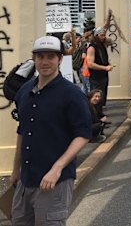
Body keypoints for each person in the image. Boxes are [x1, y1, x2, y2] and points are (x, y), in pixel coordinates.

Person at [11, 36, 92, 225]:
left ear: (60, 59)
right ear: (34, 59)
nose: (45, 62)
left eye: (50, 57)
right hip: (26, 179)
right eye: (40, 57)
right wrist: (16, 169)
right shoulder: (24, 91)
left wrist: (57, 167)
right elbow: (22, 131)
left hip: (55, 181)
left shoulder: (72, 94)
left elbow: (83, 134)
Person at [86, 26, 113, 116]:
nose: (104, 37)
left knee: (101, 97)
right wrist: (104, 68)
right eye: (102, 35)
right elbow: (90, 64)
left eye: (104, 35)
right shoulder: (92, 47)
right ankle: (95, 117)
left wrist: (107, 62)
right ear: (97, 35)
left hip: (103, 76)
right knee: (95, 98)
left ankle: (100, 115)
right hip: (96, 77)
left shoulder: (102, 45)